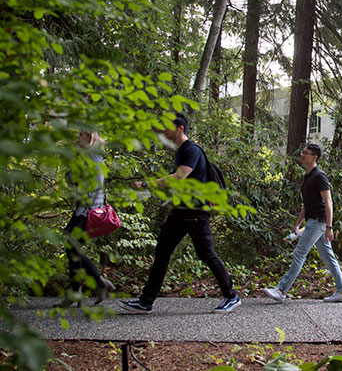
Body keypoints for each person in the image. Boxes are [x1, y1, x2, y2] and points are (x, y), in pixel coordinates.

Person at [118, 113, 240, 314]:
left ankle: (231, 295)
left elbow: (179, 177)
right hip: (180, 212)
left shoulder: (191, 150)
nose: (164, 129)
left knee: (206, 253)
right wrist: (171, 210)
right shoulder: (182, 151)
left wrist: (146, 184)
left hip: (195, 213)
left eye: (168, 126)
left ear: (180, 128)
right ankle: (146, 301)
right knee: (162, 252)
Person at [263, 143, 342, 303]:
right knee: (328, 257)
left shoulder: (319, 176)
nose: (302, 154)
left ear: (314, 157)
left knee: (299, 253)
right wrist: (297, 224)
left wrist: (329, 227)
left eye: (306, 153)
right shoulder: (308, 177)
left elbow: (328, 202)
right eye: (302, 151)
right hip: (312, 221)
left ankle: (281, 291)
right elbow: (307, 204)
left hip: (319, 222)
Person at [55, 131, 115, 308]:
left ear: (89, 138)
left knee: (72, 246)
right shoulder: (93, 157)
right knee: (72, 247)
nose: (77, 137)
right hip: (85, 208)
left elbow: (72, 179)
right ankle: (77, 290)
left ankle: (99, 283)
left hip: (88, 210)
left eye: (81, 135)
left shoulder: (91, 158)